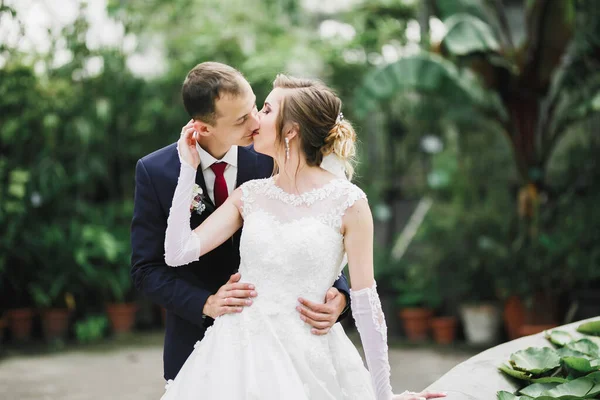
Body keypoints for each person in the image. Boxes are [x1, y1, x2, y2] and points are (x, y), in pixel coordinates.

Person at [161, 73, 447, 400]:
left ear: (291, 129)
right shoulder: (249, 195)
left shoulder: (349, 202)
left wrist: (385, 396)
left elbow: (368, 307)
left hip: (312, 359)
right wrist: (188, 167)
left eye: (266, 110)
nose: (255, 119)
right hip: (236, 359)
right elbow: (177, 253)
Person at [130, 62, 351, 382]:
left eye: (255, 107)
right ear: (204, 127)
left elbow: (320, 227)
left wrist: (339, 293)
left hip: (281, 347)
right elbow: (145, 269)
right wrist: (206, 303)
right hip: (195, 344)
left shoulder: (275, 155)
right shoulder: (156, 172)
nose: (256, 121)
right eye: (241, 119)